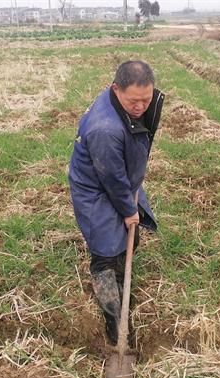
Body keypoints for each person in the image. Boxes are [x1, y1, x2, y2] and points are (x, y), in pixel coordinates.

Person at [68, 61, 165, 345]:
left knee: (127, 241)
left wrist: (128, 208)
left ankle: (124, 270)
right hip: (96, 189)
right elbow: (111, 178)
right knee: (105, 254)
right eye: (133, 101)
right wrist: (128, 210)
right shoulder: (105, 129)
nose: (140, 107)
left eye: (146, 99)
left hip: (118, 178)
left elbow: (119, 175)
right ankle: (114, 321)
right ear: (116, 89)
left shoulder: (125, 106)